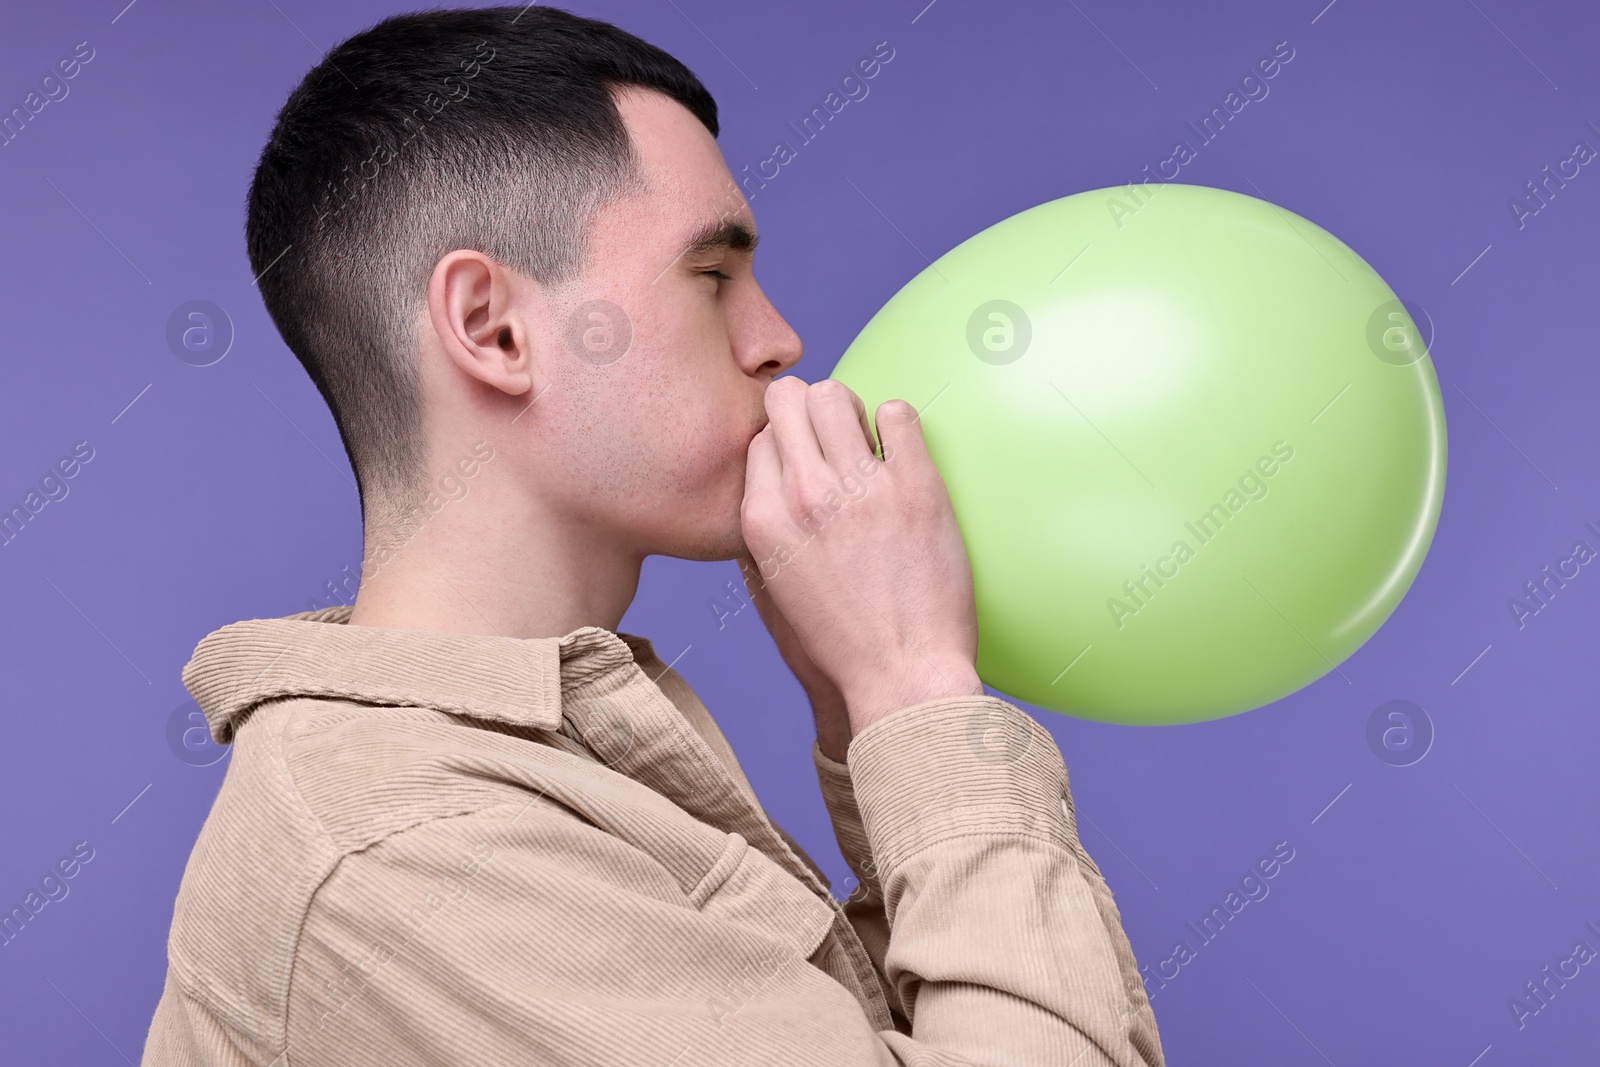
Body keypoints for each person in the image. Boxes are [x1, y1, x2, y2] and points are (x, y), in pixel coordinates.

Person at [140, 6, 1165, 1065]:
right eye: (713, 276)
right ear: (493, 328)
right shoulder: (406, 849)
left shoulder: (513, 772)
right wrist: (916, 688)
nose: (778, 340)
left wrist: (866, 720)